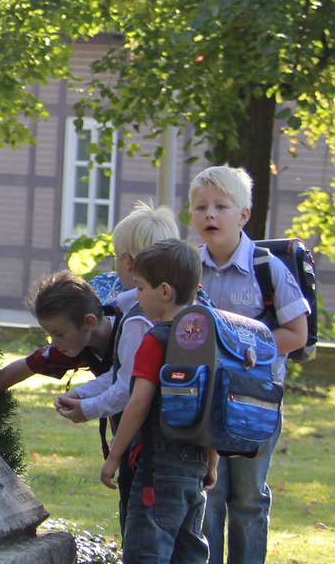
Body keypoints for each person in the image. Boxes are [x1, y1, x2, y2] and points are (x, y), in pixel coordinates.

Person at [189, 166, 308, 564]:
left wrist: (249, 347)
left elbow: (297, 333)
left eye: (221, 206)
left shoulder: (267, 268)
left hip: (253, 404)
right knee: (209, 494)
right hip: (204, 402)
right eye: (201, 207)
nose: (210, 214)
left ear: (242, 216)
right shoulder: (188, 269)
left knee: (248, 497)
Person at [56, 202, 182, 529]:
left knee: (142, 530)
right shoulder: (189, 310)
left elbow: (129, 388)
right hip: (184, 443)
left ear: (128, 263)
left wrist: (90, 410)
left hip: (148, 446)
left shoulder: (141, 320)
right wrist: (84, 393)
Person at [100, 239, 218, 564]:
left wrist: (113, 457)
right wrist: (212, 462)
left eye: (140, 288)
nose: (137, 297)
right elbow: (212, 407)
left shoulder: (155, 340)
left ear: (164, 292)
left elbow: (137, 404)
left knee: (145, 553)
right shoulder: (210, 341)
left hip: (157, 471)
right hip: (195, 469)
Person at [0, 272, 118, 414]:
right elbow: (27, 365)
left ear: (89, 323)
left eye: (59, 334)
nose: (54, 343)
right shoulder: (78, 341)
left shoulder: (132, 335)